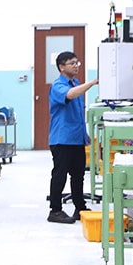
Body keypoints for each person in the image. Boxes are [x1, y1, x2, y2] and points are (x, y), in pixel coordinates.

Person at [47, 51, 98, 224]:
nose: (76, 66)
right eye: (72, 63)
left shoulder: (74, 83)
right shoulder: (58, 86)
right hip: (62, 139)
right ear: (62, 67)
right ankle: (55, 210)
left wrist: (85, 135)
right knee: (60, 174)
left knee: (78, 175)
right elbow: (69, 95)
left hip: (76, 138)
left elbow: (77, 112)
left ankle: (79, 207)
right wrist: (91, 83)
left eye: (78, 63)